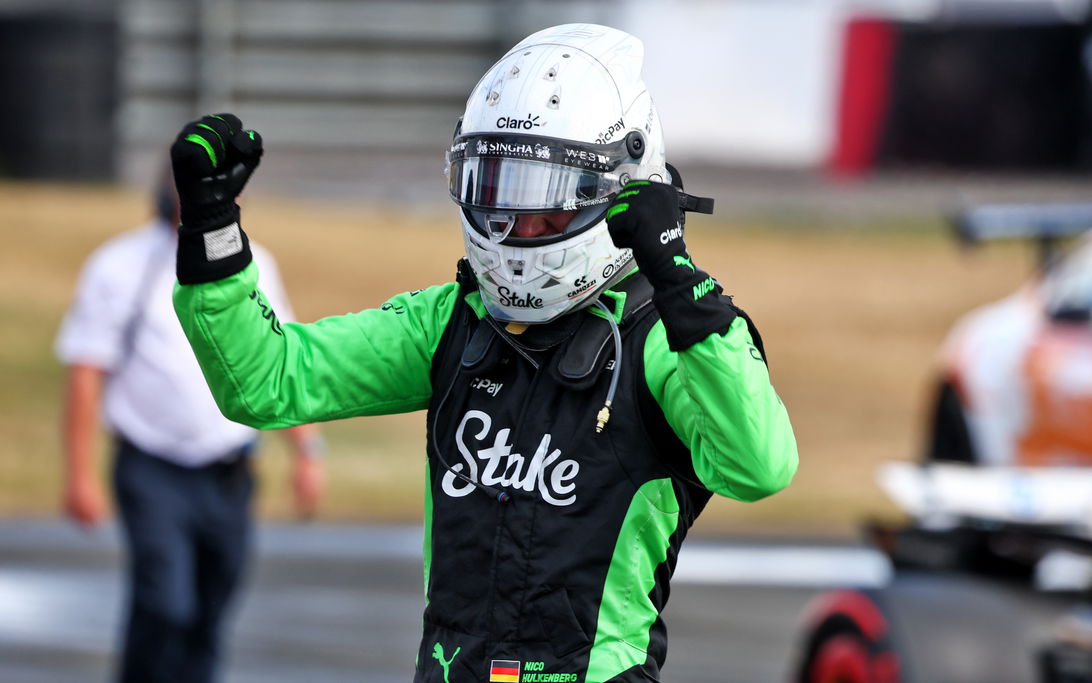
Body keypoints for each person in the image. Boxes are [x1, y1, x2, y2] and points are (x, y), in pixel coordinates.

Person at [169, 24, 797, 683]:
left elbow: (759, 464)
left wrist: (676, 275)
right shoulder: (449, 321)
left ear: (620, 191)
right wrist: (212, 228)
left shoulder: (670, 340)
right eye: (499, 190)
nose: (519, 225)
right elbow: (269, 380)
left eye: (547, 201)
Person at [56, 166, 325, 683]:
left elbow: (282, 361)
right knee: (164, 605)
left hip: (228, 473)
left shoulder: (255, 264)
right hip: (152, 466)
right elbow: (86, 372)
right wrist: (79, 475)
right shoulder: (121, 264)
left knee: (209, 613)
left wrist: (307, 453)